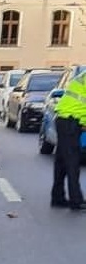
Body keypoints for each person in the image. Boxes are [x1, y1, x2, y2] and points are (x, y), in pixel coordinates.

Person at [51, 67, 86, 209]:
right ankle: (76, 200)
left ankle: (57, 197)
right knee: (72, 161)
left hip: (64, 119)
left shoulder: (83, 75)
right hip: (71, 121)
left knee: (61, 162)